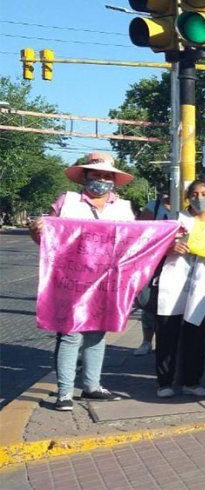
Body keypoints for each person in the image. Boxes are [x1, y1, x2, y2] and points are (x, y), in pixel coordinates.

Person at [30, 152, 136, 411]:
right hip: (71, 282)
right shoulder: (68, 203)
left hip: (106, 283)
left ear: (113, 180)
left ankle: (91, 386)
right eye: (95, 175)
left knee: (97, 334)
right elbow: (48, 240)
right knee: (70, 335)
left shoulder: (123, 208)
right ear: (85, 177)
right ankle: (64, 393)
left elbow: (135, 242)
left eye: (105, 176)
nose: (100, 179)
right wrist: (37, 233)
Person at [153, 180, 205, 398]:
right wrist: (170, 247)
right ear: (188, 197)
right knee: (167, 332)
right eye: (194, 194)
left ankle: (192, 381)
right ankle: (165, 382)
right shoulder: (176, 221)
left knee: (196, 334)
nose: (199, 198)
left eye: (204, 194)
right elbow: (154, 247)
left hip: (201, 286)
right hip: (172, 284)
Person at [134, 191, 176, 357]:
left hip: (176, 263)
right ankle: (146, 341)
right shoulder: (154, 206)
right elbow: (142, 233)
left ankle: (167, 342)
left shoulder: (187, 207)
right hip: (154, 262)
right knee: (149, 302)